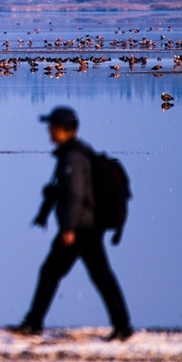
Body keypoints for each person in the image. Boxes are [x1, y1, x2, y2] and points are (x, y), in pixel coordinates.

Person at [11, 106, 133, 341]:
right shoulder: (75, 152)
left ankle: (33, 324)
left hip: (80, 228)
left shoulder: (73, 157)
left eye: (51, 127)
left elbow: (76, 195)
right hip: (87, 226)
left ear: (61, 129)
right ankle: (122, 326)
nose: (48, 131)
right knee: (101, 276)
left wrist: (68, 228)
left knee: (50, 272)